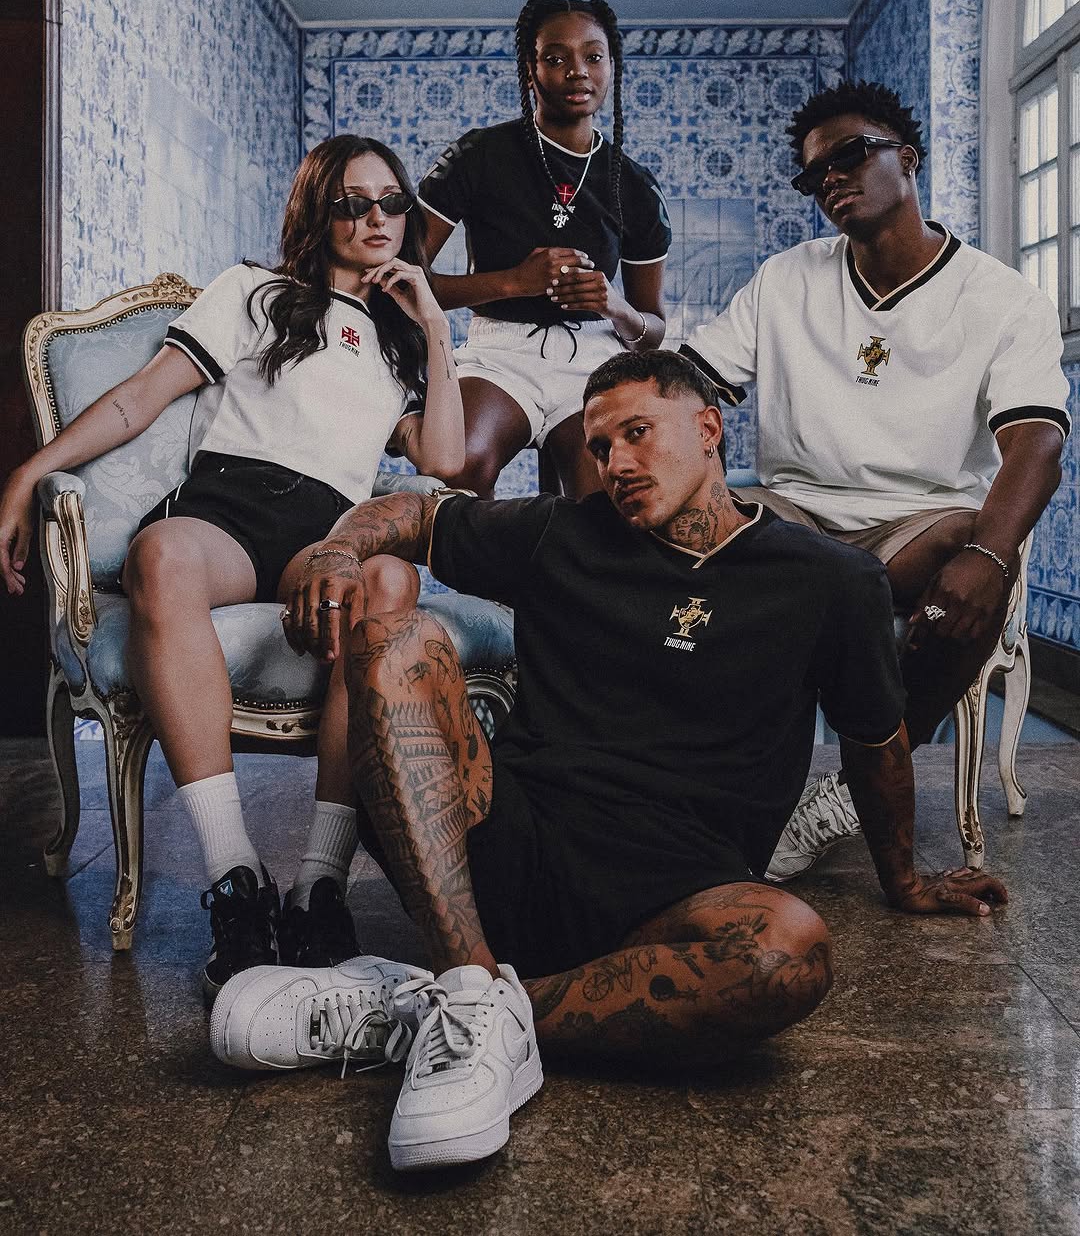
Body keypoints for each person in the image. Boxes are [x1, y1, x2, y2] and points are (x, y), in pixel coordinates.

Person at [211, 349, 1006, 1174]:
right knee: (396, 642)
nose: (615, 463)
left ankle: (434, 1010)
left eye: (637, 433)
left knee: (789, 953)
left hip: (672, 897)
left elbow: (876, 746)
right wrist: (338, 551)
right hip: (496, 849)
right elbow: (415, 511)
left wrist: (905, 883)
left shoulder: (831, 581)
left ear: (708, 429)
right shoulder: (562, 531)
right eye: (598, 447)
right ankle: (469, 981)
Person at [0, 134, 465, 997]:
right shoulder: (256, 292)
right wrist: (31, 470)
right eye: (353, 202)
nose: (376, 218)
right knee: (161, 554)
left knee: (392, 582)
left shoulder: (400, 342)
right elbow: (141, 399)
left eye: (392, 202)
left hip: (326, 532)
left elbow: (446, 458)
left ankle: (319, 886)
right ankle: (235, 879)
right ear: (319, 211)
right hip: (231, 508)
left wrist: (435, 326)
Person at [679, 80, 1071, 881]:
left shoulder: (1001, 298)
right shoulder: (787, 278)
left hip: (916, 525)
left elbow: (1037, 441)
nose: (831, 177)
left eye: (851, 154)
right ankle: (703, 781)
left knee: (977, 551)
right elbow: (687, 385)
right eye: (814, 173)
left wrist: (989, 556)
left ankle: (853, 792)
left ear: (909, 159)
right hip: (796, 510)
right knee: (687, 522)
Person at [418, 0, 672, 499]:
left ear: (611, 67)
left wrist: (614, 306)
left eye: (593, 56)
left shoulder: (635, 186)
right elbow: (406, 283)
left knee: (604, 495)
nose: (577, 71)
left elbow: (653, 330)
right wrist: (513, 282)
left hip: (594, 360)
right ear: (530, 71)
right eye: (556, 58)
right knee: (458, 465)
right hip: (500, 353)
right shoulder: (480, 155)